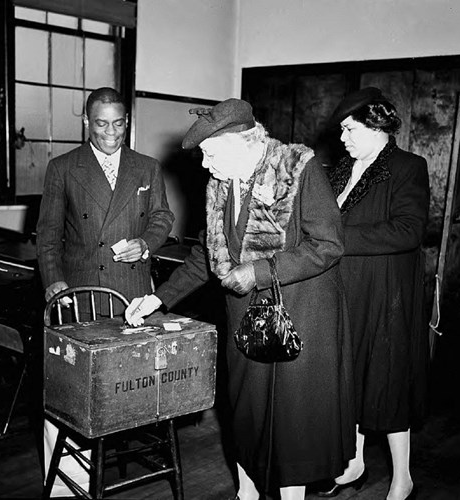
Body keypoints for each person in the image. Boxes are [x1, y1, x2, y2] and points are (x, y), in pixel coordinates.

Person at [125, 98, 356, 500]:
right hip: (246, 322)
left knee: (293, 424)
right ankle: (245, 494)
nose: (204, 165)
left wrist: (259, 271)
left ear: (243, 143)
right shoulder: (221, 182)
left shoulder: (297, 171)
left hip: (300, 315)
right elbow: (206, 256)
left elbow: (328, 245)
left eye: (210, 154)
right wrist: (158, 299)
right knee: (246, 416)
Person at [36, 86, 174, 495]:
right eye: (101, 123)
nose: (110, 132)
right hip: (80, 292)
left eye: (118, 123)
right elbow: (47, 235)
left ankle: (122, 463)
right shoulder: (63, 167)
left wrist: (146, 243)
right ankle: (68, 486)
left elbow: (163, 217)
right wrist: (54, 282)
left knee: (132, 386)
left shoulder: (146, 167)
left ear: (126, 123)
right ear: (85, 122)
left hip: (131, 294)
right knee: (71, 390)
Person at [315, 87, 430, 500]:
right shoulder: (340, 170)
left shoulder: (407, 167)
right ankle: (355, 463)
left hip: (386, 296)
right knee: (351, 379)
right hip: (343, 290)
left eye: (349, 129)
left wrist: (335, 236)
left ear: (375, 123)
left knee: (388, 383)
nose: (342, 138)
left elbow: (408, 230)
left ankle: (403, 477)